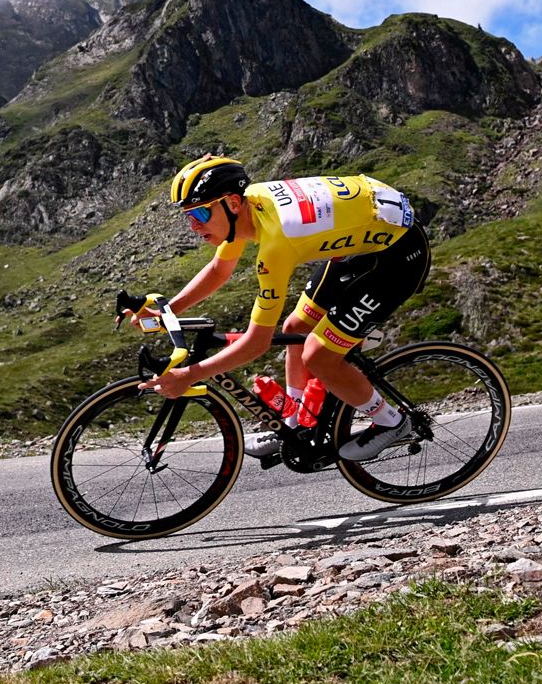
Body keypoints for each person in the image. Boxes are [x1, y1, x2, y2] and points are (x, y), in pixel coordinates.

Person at [134, 155, 431, 462]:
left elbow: (256, 343)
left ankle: (392, 422)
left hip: (399, 258)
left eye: (199, 212)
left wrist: (189, 375)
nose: (194, 225)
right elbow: (219, 270)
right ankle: (293, 426)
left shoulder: (276, 244)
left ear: (233, 203)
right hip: (363, 241)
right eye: (188, 216)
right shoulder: (248, 208)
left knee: (318, 355)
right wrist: (168, 308)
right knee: (294, 329)